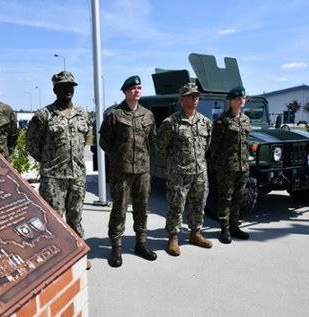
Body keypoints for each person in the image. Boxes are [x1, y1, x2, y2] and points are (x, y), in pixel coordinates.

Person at [26, 71, 92, 268]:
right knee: (54, 221)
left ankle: (78, 255)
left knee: (76, 217)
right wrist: (49, 162)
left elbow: (86, 138)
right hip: (54, 177)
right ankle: (54, 259)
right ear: (55, 89)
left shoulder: (82, 114)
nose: (68, 90)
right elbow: (32, 145)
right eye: (63, 86)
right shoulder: (43, 115)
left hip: (77, 175)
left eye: (71, 86)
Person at [99, 75, 157, 267]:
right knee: (119, 209)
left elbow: (152, 140)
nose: (137, 91)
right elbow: (104, 142)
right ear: (125, 91)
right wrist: (119, 158)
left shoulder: (148, 115)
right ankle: (116, 248)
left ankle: (141, 243)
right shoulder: (115, 115)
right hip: (121, 172)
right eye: (133, 88)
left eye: (139, 87)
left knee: (142, 209)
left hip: (142, 172)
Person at [156, 83, 213, 256]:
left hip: (200, 172)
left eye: (196, 96)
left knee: (199, 204)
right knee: (176, 205)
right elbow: (160, 147)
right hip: (179, 173)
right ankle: (173, 237)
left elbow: (207, 146)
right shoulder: (170, 123)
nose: (195, 98)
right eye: (190, 96)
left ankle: (195, 233)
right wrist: (175, 162)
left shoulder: (205, 122)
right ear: (181, 99)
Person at [210, 86, 252, 244]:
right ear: (231, 101)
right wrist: (221, 164)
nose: (240, 101)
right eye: (237, 99)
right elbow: (215, 146)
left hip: (243, 167)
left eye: (242, 98)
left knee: (238, 198)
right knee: (225, 198)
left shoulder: (246, 120)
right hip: (227, 167)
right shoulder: (223, 121)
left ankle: (234, 226)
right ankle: (225, 229)